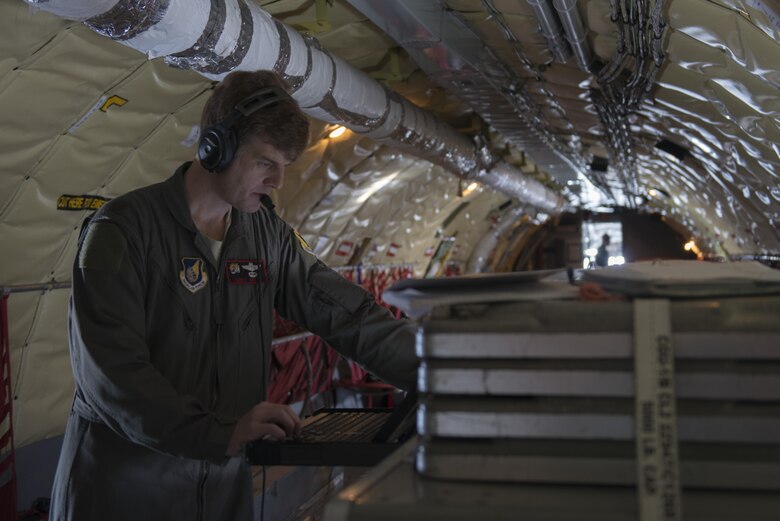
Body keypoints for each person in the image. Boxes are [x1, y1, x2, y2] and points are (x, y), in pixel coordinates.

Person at [50, 70, 417, 521]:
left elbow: (347, 313)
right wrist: (219, 433)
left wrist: (440, 372)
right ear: (215, 147)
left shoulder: (267, 237)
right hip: (125, 493)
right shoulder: (122, 231)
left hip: (221, 492)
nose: (278, 181)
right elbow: (112, 377)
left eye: (285, 165)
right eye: (265, 162)